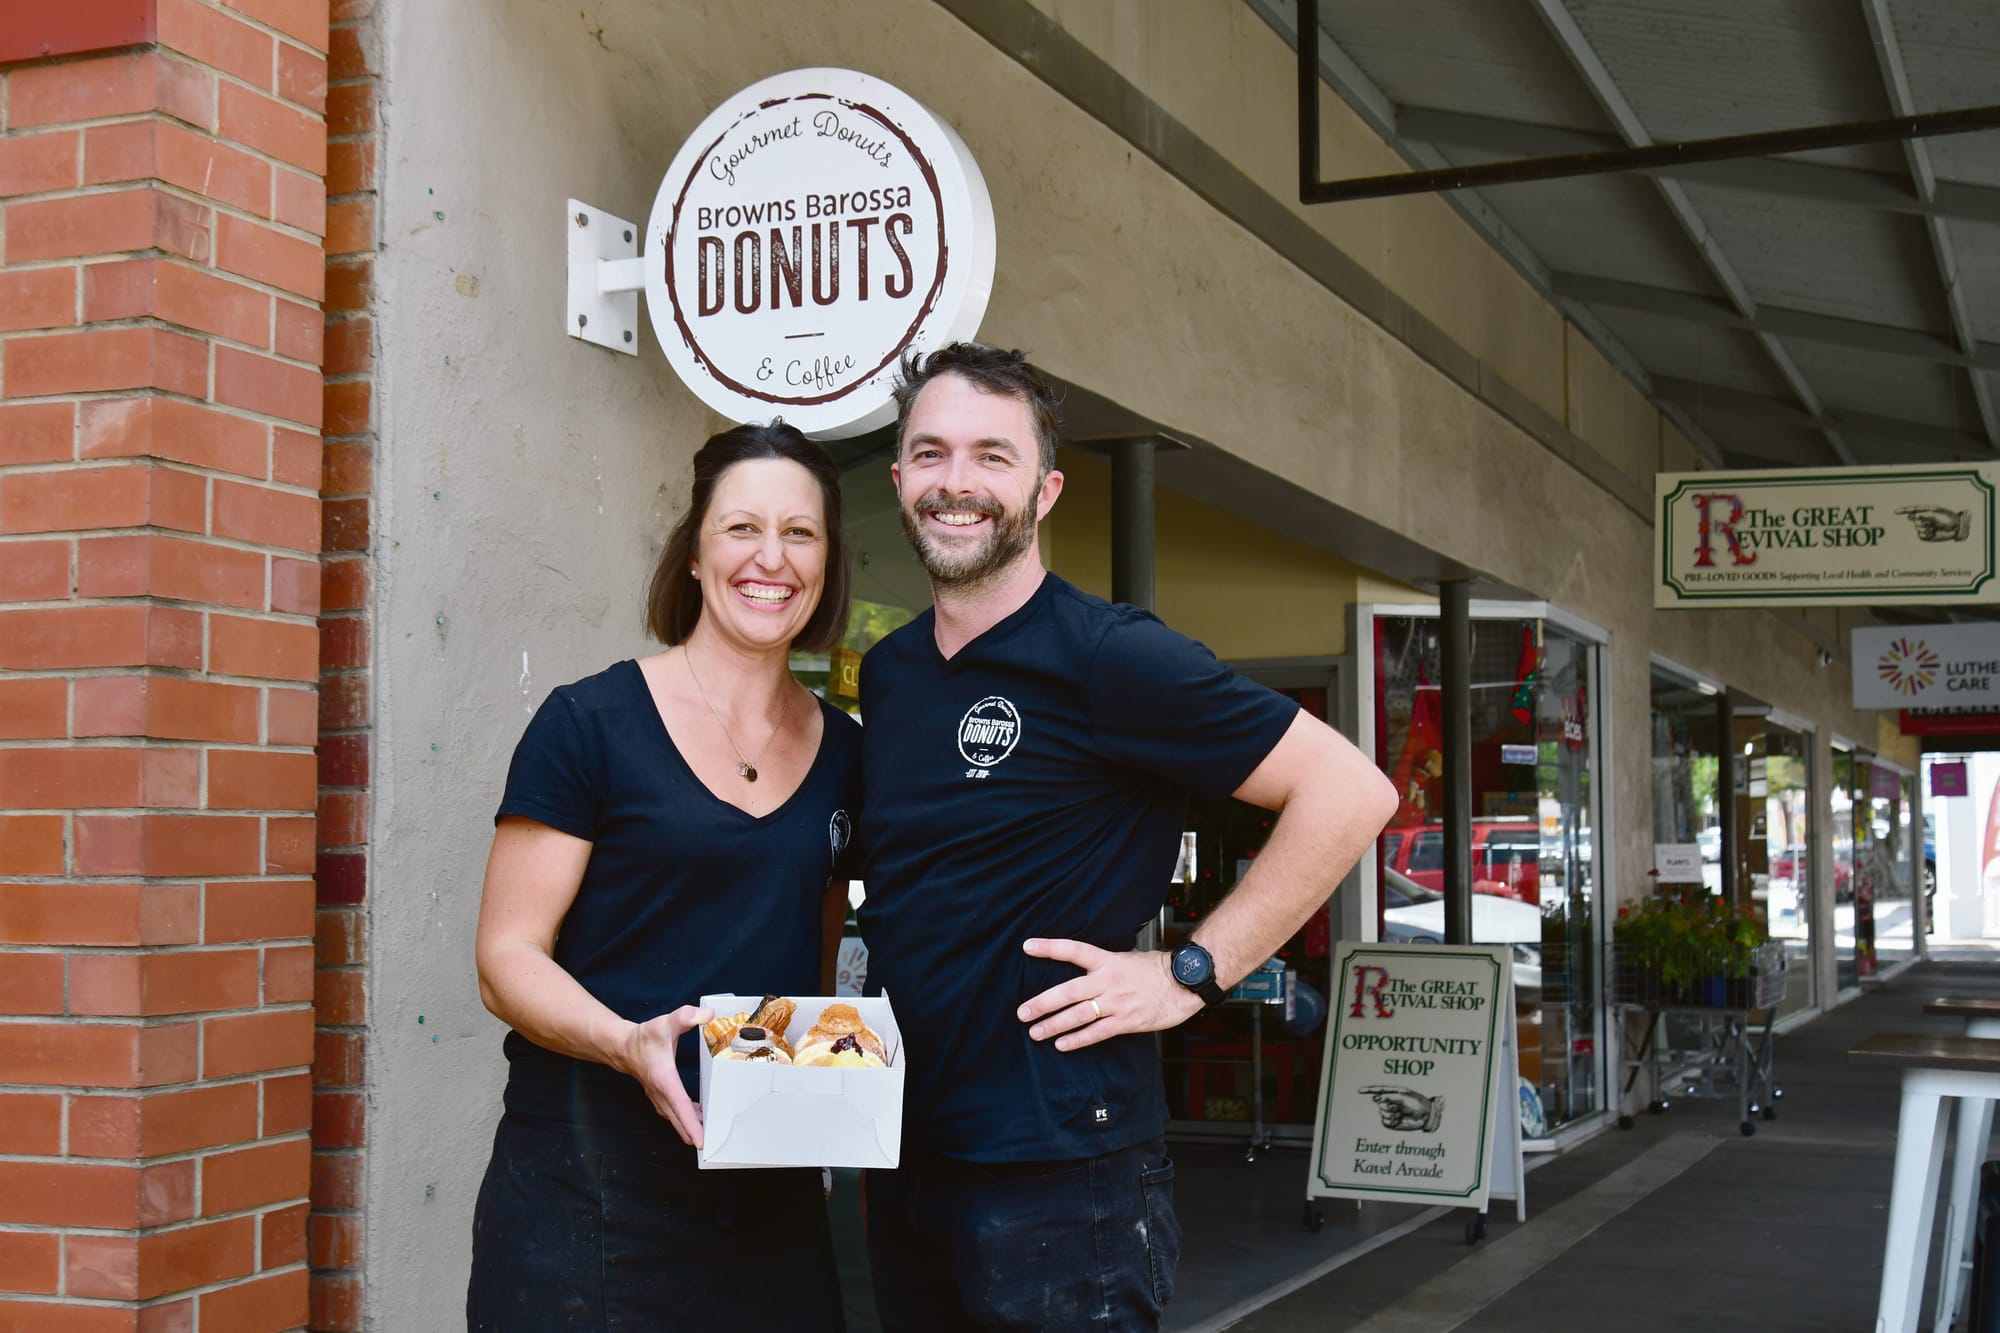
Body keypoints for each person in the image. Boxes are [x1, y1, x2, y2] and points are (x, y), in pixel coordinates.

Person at [856, 344, 1398, 1329]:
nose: (956, 482)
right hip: (906, 1151)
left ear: (1045, 488)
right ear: (898, 479)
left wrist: (1188, 972)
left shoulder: (1111, 656)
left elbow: (1348, 791)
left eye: (992, 455)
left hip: (1064, 1176)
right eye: (929, 454)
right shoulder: (889, 672)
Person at [468, 421, 860, 1331]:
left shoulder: (850, 754)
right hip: (588, 1185)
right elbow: (504, 958)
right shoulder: (590, 723)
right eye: (742, 528)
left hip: (769, 1186)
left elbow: (818, 953)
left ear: (829, 562)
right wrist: (626, 1042)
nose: (773, 558)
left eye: (801, 533)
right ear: (694, 552)